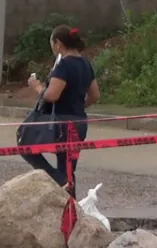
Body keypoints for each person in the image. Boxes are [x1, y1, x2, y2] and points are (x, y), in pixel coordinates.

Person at [23, 25, 100, 199]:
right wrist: (79, 107)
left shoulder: (64, 64)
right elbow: (95, 95)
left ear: (58, 44)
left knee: (26, 146)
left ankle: (59, 181)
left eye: (52, 42)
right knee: (68, 167)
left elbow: (52, 95)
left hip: (61, 125)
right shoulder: (85, 63)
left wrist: (37, 87)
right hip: (79, 123)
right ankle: (71, 211)